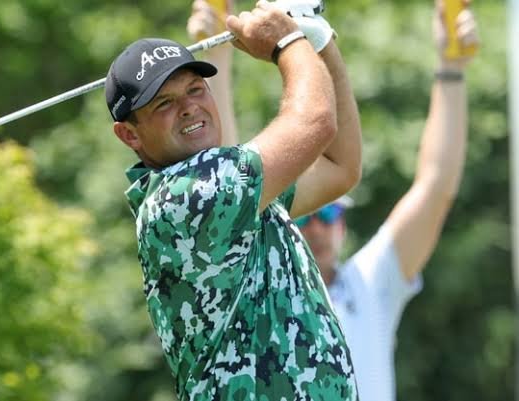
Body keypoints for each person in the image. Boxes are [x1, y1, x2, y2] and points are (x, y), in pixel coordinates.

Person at [189, 1, 480, 400]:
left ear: (343, 222)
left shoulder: (368, 285)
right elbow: (228, 195)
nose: (318, 226)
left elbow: (436, 185)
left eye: (329, 212)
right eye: (305, 215)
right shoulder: (254, 287)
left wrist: (452, 68)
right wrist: (217, 57)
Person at [106, 1, 362, 399]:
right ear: (130, 135)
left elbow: (339, 167)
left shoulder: (233, 189)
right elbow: (314, 121)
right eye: (164, 103)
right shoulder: (185, 197)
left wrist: (319, 41)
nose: (189, 107)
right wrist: (288, 43)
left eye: (195, 89)